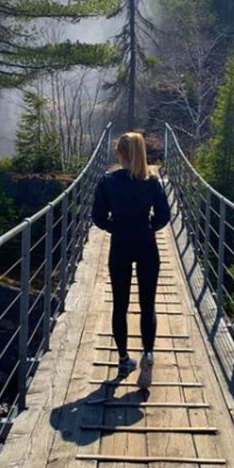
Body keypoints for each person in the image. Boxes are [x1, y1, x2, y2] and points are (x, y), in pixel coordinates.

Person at [92, 131, 170, 390]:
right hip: (146, 245)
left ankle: (124, 359)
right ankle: (148, 354)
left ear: (121, 154)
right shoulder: (152, 182)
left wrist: (115, 227)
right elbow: (163, 217)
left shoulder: (108, 181)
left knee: (120, 304)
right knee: (148, 305)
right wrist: (148, 226)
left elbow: (98, 217)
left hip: (121, 246)